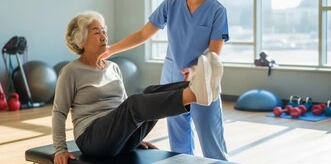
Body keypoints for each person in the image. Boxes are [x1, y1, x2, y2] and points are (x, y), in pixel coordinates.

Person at [101, 0, 229, 160]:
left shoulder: (217, 11)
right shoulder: (171, 3)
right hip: (172, 77)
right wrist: (111, 49)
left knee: (212, 142)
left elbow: (214, 53)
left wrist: (197, 68)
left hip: (203, 80)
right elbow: (144, 33)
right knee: (178, 140)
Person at [52, 11, 221, 164]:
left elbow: (122, 105)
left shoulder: (112, 67)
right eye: (96, 32)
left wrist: (132, 134)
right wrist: (60, 149)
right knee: (135, 103)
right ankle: (194, 94)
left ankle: (199, 85)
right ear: (81, 40)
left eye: (104, 31)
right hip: (92, 139)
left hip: (120, 140)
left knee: (149, 92)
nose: (104, 36)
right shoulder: (70, 71)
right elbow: (59, 112)